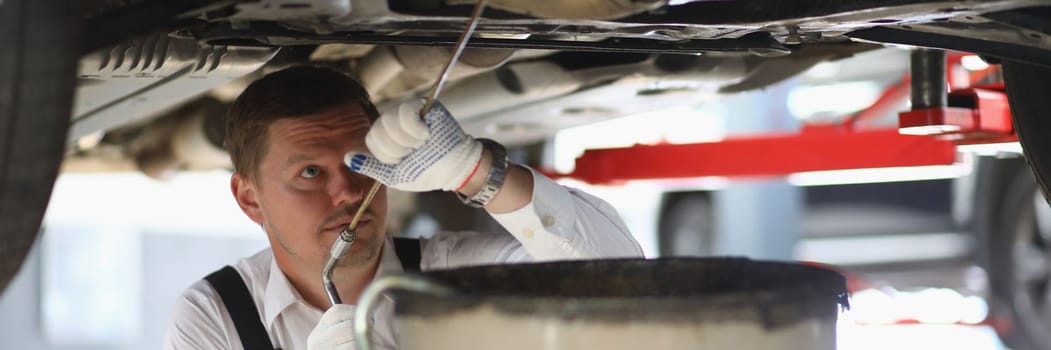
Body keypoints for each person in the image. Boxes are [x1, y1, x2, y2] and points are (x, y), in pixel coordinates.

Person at [162, 65, 644, 350]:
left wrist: (479, 173)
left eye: (361, 162)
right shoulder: (218, 316)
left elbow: (625, 289)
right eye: (310, 173)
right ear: (250, 198)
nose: (349, 192)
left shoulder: (453, 276)